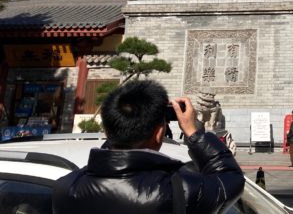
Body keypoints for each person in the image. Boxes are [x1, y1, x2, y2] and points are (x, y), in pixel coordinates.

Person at [52, 80, 244, 214]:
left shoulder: (65, 187)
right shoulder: (181, 189)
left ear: (106, 131)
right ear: (159, 133)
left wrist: (120, 129)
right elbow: (230, 179)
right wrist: (194, 133)